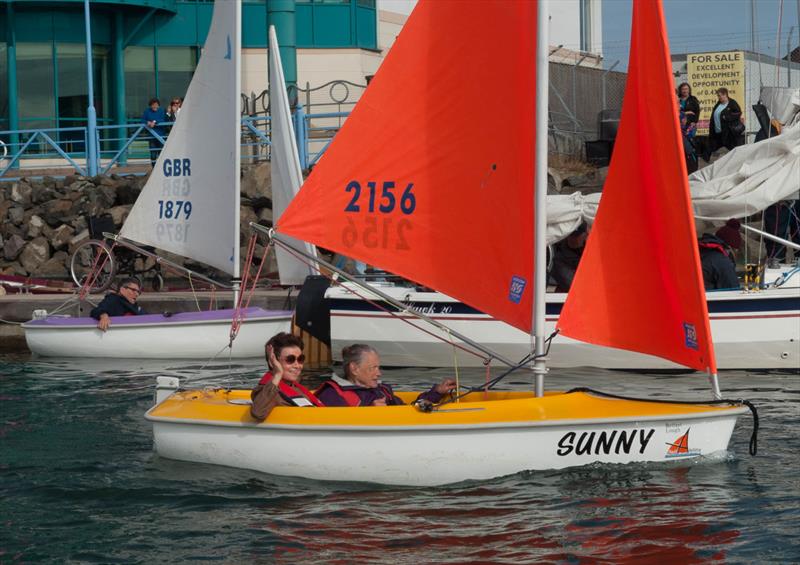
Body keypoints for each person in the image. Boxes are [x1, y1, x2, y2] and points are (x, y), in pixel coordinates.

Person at [315, 344, 456, 407]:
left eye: (378, 367)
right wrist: (369, 413)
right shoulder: (332, 394)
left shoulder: (382, 391)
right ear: (354, 368)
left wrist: (437, 392)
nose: (379, 373)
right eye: (373, 368)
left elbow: (408, 409)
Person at [250, 332, 323, 421]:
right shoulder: (267, 391)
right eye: (290, 359)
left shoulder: (295, 387)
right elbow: (258, 412)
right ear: (273, 362)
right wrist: (278, 374)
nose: (297, 365)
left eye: (300, 359)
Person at [698, 219, 741, 291]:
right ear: (730, 248)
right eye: (736, 250)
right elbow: (733, 290)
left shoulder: (700, 252)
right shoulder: (722, 262)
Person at [706, 87, 744, 160]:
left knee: (732, 147)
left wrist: (727, 117)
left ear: (725, 94)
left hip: (728, 132)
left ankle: (738, 160)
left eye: (720, 95)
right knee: (712, 147)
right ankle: (708, 161)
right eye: (718, 95)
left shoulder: (732, 103)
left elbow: (738, 113)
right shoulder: (718, 104)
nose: (719, 97)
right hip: (717, 131)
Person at [550, 222, 588, 292]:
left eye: (577, 236)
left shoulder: (590, 253)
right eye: (571, 235)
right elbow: (572, 284)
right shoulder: (558, 258)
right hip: (566, 298)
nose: (573, 239)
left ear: (585, 235)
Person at [142, 97, 167, 166]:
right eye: (153, 105)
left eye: (156, 104)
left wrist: (154, 122)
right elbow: (142, 120)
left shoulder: (162, 110)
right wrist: (147, 122)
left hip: (161, 136)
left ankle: (161, 169)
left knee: (161, 154)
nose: (155, 106)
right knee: (153, 155)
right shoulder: (147, 111)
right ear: (150, 105)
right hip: (151, 137)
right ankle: (153, 170)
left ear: (158, 105)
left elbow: (164, 120)